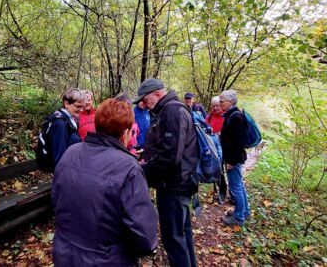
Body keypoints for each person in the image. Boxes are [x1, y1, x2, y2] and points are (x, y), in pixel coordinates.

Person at [52, 98, 158, 266]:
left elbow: (57, 198)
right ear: (125, 133)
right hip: (106, 259)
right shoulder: (128, 167)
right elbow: (144, 233)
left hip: (64, 253)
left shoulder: (71, 152)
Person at [134, 78, 199, 267]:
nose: (144, 105)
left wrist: (143, 172)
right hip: (180, 184)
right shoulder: (172, 109)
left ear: (156, 94)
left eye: (145, 100)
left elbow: (170, 156)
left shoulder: (172, 112)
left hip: (174, 187)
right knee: (182, 235)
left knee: (173, 239)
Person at [219, 90, 251, 226]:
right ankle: (244, 212)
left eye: (222, 102)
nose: (220, 104)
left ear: (230, 102)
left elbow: (238, 142)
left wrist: (231, 161)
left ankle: (238, 217)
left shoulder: (236, 117)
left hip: (234, 158)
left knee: (236, 187)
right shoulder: (232, 115)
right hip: (234, 157)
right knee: (239, 186)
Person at [47, 88, 85, 169]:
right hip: (66, 172)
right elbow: (59, 157)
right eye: (78, 106)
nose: (81, 110)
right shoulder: (60, 124)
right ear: (66, 103)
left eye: (83, 107)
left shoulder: (70, 120)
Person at [205, 96, 228, 203]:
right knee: (215, 167)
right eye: (213, 106)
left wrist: (221, 135)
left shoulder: (225, 116)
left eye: (217, 105)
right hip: (211, 146)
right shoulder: (209, 117)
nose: (215, 108)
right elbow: (204, 127)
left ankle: (223, 193)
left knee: (221, 169)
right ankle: (216, 191)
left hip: (223, 147)